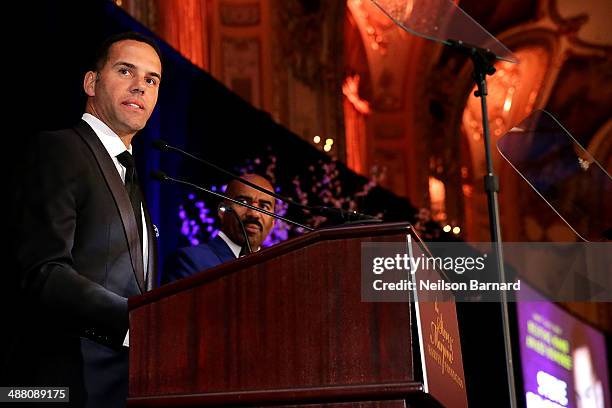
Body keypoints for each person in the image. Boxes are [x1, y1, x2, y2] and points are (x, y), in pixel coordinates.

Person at [7, 32, 162, 407]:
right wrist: (138, 321)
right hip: (65, 382)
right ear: (91, 83)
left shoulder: (135, 174)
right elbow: (45, 271)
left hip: (127, 385)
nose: (139, 87)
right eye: (126, 71)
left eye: (151, 80)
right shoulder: (60, 149)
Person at [163, 174, 276, 283]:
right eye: (243, 202)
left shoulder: (276, 271)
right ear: (222, 211)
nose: (254, 213)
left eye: (264, 206)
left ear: (273, 222)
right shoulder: (190, 261)